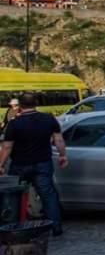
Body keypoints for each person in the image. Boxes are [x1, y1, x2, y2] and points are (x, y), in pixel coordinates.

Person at [0, 93, 67, 236]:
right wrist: (62, 155)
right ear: (36, 103)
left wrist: (1, 164)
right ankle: (56, 227)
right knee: (48, 195)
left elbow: (7, 147)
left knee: (14, 197)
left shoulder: (14, 123)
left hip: (19, 164)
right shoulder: (48, 119)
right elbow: (59, 140)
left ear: (20, 105)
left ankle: (13, 227)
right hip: (42, 163)